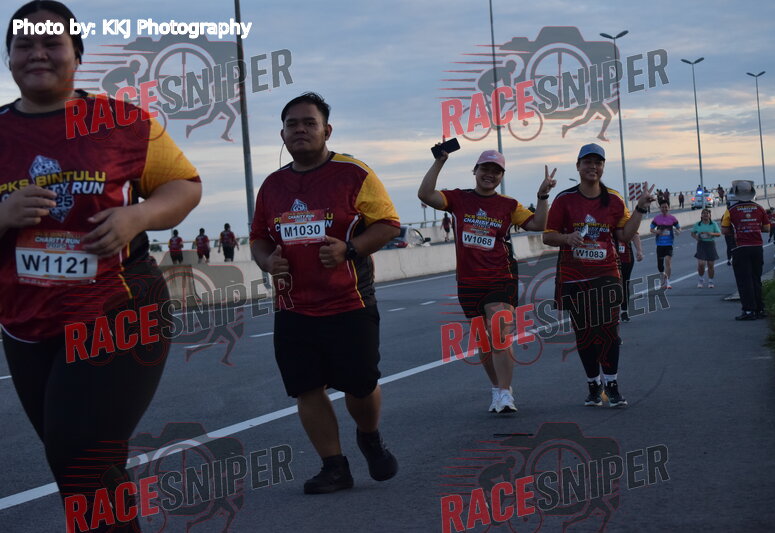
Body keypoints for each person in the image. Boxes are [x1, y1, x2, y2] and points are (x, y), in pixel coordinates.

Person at [0, 2, 202, 530]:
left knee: (79, 454)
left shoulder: (123, 122)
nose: (37, 54)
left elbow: (185, 186)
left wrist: (139, 215)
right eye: (24, 44)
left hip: (119, 309)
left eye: (52, 44)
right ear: (9, 57)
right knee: (83, 464)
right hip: (26, 322)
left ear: (77, 55)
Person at [250, 92, 400, 494]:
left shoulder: (354, 174)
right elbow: (259, 238)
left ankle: (369, 436)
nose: (300, 129)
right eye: (292, 124)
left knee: (360, 386)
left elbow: (388, 224)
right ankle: (334, 467)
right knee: (306, 388)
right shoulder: (272, 186)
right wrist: (267, 261)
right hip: (293, 307)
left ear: (327, 130)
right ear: (282, 134)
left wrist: (350, 249)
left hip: (349, 302)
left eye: (309, 123)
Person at [418, 148, 557, 414]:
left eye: (496, 171)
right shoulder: (458, 198)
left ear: (501, 176)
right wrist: (439, 161)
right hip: (469, 281)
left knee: (499, 333)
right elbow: (425, 194)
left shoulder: (508, 205)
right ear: (475, 171)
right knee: (484, 342)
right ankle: (497, 389)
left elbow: (538, 224)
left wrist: (542, 196)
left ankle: (505, 393)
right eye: (485, 169)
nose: (490, 175)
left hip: (501, 277)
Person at [543, 143, 654, 408]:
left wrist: (640, 209)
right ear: (578, 166)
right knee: (584, 334)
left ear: (603, 167)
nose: (593, 167)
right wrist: (567, 238)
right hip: (574, 276)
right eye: (588, 162)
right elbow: (548, 236)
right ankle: (593, 385)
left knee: (608, 331)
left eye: (598, 162)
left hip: (606, 273)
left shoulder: (614, 199)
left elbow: (624, 235)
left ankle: (612, 385)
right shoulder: (564, 199)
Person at [721, 180, 770, 320]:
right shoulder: (759, 208)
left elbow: (724, 230)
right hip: (757, 248)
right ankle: (760, 309)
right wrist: (753, 227)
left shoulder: (731, 210)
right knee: (756, 278)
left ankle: (749, 311)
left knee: (744, 280)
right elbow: (767, 228)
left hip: (740, 248)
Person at [650, 200, 680, 289]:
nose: (664, 209)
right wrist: (657, 231)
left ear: (669, 208)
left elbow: (679, 228)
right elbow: (651, 229)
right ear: (660, 208)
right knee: (660, 265)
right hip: (659, 244)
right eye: (662, 207)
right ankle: (662, 279)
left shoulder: (672, 218)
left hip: (669, 244)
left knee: (667, 260)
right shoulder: (656, 218)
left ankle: (667, 282)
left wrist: (677, 231)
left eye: (666, 207)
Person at [616, 232, 644, 322]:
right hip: (608, 258)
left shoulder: (626, 223)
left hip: (625, 257)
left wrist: (639, 251)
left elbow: (635, 235)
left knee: (624, 284)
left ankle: (624, 311)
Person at [691, 208, 721, 288]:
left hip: (710, 244)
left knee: (710, 264)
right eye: (703, 213)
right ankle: (701, 279)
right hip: (701, 244)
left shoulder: (713, 224)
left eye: (707, 213)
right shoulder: (698, 224)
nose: (705, 215)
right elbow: (692, 233)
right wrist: (697, 237)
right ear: (701, 215)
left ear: (710, 215)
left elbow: (719, 234)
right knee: (701, 264)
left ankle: (711, 281)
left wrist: (711, 234)